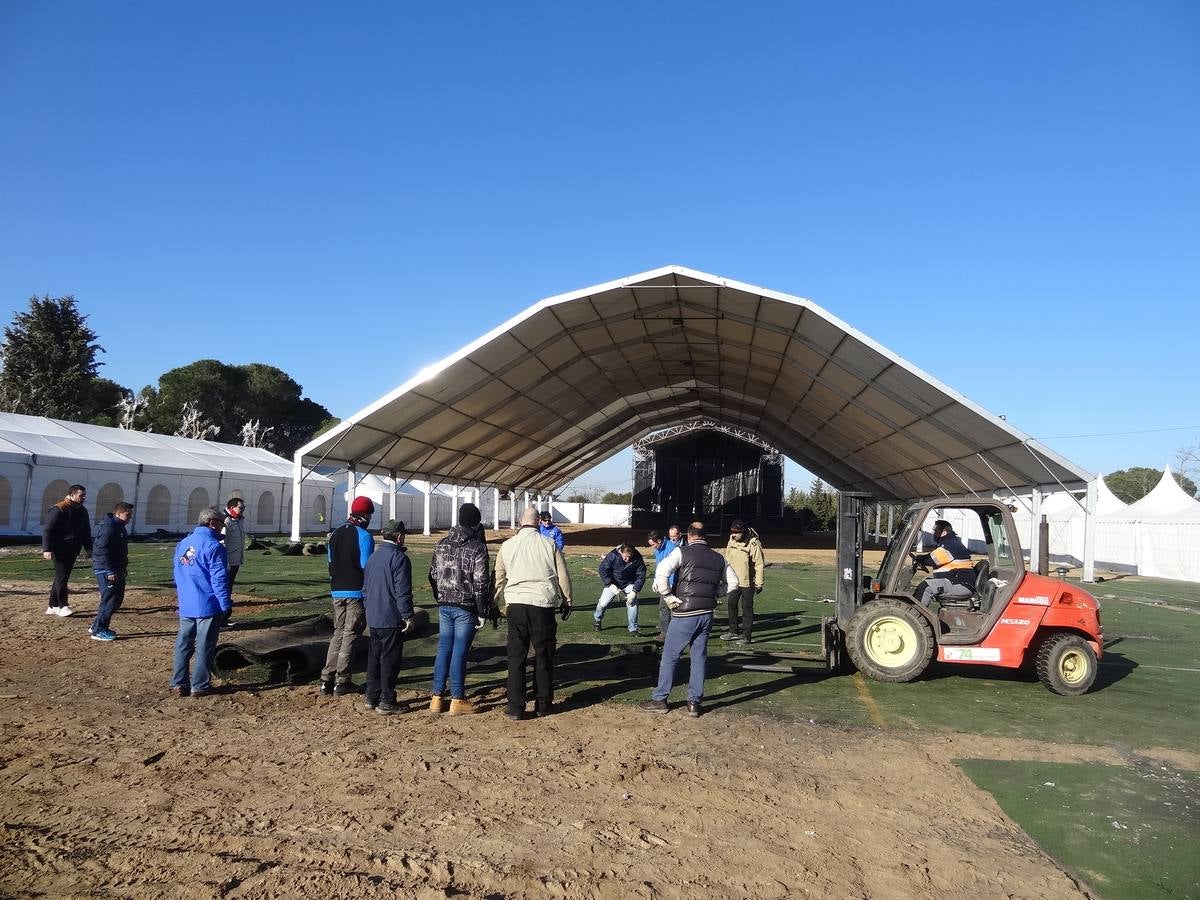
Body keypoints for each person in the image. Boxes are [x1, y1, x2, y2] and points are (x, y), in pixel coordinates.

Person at [640, 521, 737, 718]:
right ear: (705, 536)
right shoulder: (719, 558)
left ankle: (660, 699)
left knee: (670, 656)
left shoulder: (680, 552)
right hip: (706, 613)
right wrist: (715, 593)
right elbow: (733, 583)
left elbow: (661, 572)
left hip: (685, 612)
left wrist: (668, 596)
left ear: (690, 536)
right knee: (699, 658)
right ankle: (694, 702)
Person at [495, 507, 572, 720]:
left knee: (516, 656)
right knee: (543, 655)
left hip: (516, 605)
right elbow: (562, 575)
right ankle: (543, 703)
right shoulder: (550, 544)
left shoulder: (507, 546)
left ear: (521, 522)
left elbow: (499, 577)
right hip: (542, 605)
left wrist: (493, 604)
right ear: (538, 522)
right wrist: (567, 599)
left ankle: (515, 706)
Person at [428, 502, 492, 716]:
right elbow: (481, 582)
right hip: (466, 605)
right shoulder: (477, 548)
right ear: (476, 524)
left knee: (444, 648)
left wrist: (440, 595)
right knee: (459, 652)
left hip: (445, 603)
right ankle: (457, 698)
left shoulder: (441, 543)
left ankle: (436, 698)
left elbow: (433, 574)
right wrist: (483, 610)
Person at [170, 507, 232, 698]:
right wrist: (225, 603)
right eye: (221, 523)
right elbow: (219, 578)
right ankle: (200, 684)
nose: (223, 528)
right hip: (207, 603)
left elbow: (177, 570)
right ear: (212, 523)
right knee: (205, 645)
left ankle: (179, 682)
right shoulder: (214, 547)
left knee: (184, 643)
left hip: (187, 601)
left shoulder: (184, 543)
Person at [320, 496, 375, 696]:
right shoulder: (364, 536)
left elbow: (330, 563)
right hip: (355, 590)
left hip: (337, 590)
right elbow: (365, 566)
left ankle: (327, 678)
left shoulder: (334, 534)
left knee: (338, 632)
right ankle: (343, 680)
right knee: (351, 634)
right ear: (366, 515)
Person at [362, 519, 415, 715]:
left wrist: (369, 608)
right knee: (390, 660)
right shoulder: (399, 559)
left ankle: (371, 696)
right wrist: (408, 616)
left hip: (374, 616)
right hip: (390, 617)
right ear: (399, 536)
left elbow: (365, 589)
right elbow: (402, 591)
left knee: (374, 657)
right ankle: (386, 700)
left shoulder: (374, 557)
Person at [41, 484, 92, 617]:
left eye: (84, 495)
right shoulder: (59, 509)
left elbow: (86, 531)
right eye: (81, 495)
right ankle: (63, 605)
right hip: (60, 549)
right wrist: (47, 549)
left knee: (61, 576)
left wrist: (89, 549)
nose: (84, 497)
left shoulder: (82, 511)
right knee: (62, 577)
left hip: (73, 549)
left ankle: (53, 605)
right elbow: (48, 530)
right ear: (72, 494)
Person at [89, 501, 133, 641]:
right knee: (110, 600)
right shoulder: (110, 527)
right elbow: (101, 549)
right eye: (128, 514)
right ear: (119, 513)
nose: (130, 517)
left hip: (116, 568)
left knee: (116, 599)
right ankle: (99, 630)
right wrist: (109, 570)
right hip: (106, 569)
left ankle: (96, 625)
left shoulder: (119, 527)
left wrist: (122, 568)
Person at [720, 519, 765, 645]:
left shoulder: (754, 543)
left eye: (736, 532)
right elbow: (727, 558)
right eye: (732, 531)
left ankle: (746, 636)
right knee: (731, 604)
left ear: (743, 532)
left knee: (747, 608)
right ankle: (733, 631)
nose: (733, 534)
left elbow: (759, 564)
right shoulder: (731, 540)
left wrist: (759, 583)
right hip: (733, 581)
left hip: (747, 582)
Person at [912, 519, 975, 605]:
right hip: (955, 582)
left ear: (944, 531)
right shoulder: (948, 543)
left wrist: (920, 559)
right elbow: (932, 556)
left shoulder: (950, 544)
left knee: (926, 587)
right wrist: (921, 558)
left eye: (936, 530)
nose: (933, 533)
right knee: (926, 582)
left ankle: (914, 614)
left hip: (960, 585)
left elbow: (932, 559)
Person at [593, 542, 647, 635]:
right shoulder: (612, 555)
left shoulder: (637, 557)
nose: (628, 559)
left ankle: (633, 628)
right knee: (602, 603)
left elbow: (641, 575)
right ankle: (597, 620)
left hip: (629, 582)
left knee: (633, 603)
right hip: (613, 582)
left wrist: (634, 590)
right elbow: (603, 569)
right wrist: (609, 584)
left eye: (630, 556)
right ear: (620, 552)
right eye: (625, 557)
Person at [220, 497, 247, 627]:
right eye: (240, 508)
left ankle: (224, 617)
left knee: (228, 587)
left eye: (243, 508)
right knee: (224, 589)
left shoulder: (239, 521)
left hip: (236, 560)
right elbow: (222, 542)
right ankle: (222, 618)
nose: (242, 510)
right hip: (228, 562)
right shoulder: (227, 521)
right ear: (231, 508)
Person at [647, 530, 678, 637]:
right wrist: (656, 579)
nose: (652, 547)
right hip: (663, 581)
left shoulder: (671, 549)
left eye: (653, 544)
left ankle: (666, 633)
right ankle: (667, 630)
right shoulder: (658, 549)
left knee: (667, 607)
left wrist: (668, 586)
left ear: (659, 541)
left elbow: (673, 569)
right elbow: (659, 566)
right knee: (665, 607)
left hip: (671, 583)